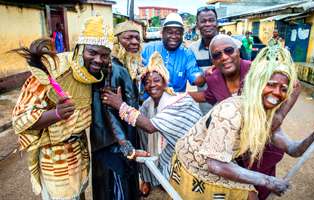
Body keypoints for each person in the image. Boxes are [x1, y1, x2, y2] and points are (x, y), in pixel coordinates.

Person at [170, 41, 314, 200]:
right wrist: (268, 180)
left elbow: (294, 150)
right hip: (194, 162)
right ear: (257, 84)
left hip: (221, 162)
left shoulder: (266, 115)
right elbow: (215, 164)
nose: (277, 93)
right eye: (270, 85)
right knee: (250, 193)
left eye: (283, 89)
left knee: (250, 192)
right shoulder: (231, 112)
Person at [11, 16, 113, 200]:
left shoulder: (94, 74)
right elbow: (19, 121)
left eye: (104, 55)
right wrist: (55, 114)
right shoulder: (54, 70)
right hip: (55, 156)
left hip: (79, 149)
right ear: (80, 49)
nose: (99, 60)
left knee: (79, 192)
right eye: (92, 52)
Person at [101, 52, 202, 197]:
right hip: (168, 150)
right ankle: (152, 179)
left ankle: (170, 178)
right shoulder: (148, 104)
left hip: (188, 155)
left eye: (156, 80)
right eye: (147, 82)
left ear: (165, 82)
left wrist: (120, 105)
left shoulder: (178, 101)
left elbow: (149, 127)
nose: (151, 85)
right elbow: (138, 121)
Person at [90, 20, 148, 200]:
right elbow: (106, 114)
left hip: (119, 144)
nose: (134, 42)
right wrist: (124, 146)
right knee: (116, 191)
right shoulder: (112, 69)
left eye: (137, 38)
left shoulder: (125, 67)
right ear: (116, 42)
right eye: (128, 37)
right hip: (113, 148)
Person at [142, 13, 205, 93]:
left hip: (174, 103)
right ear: (163, 32)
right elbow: (138, 72)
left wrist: (205, 76)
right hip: (148, 101)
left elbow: (195, 76)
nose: (174, 36)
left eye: (178, 33)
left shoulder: (187, 54)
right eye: (170, 32)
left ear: (182, 35)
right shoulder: (148, 49)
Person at [189, 6, 218, 115]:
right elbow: (197, 81)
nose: (207, 24)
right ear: (197, 25)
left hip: (232, 109)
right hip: (205, 112)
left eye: (211, 20)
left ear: (217, 22)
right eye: (203, 21)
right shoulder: (192, 50)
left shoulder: (234, 46)